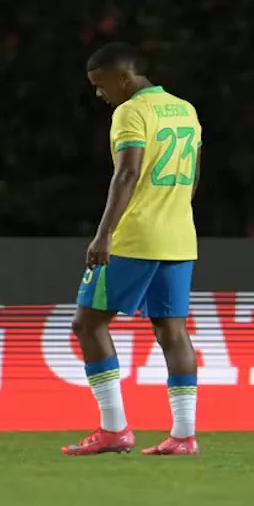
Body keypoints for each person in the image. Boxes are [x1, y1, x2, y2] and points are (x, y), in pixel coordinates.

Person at [64, 42, 203, 457]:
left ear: (123, 77)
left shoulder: (131, 112)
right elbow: (194, 173)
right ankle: (184, 435)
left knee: (87, 324)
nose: (98, 94)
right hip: (179, 236)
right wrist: (175, 213)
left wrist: (104, 234)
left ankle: (113, 428)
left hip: (136, 236)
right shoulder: (185, 109)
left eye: (100, 84)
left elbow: (128, 173)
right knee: (172, 331)